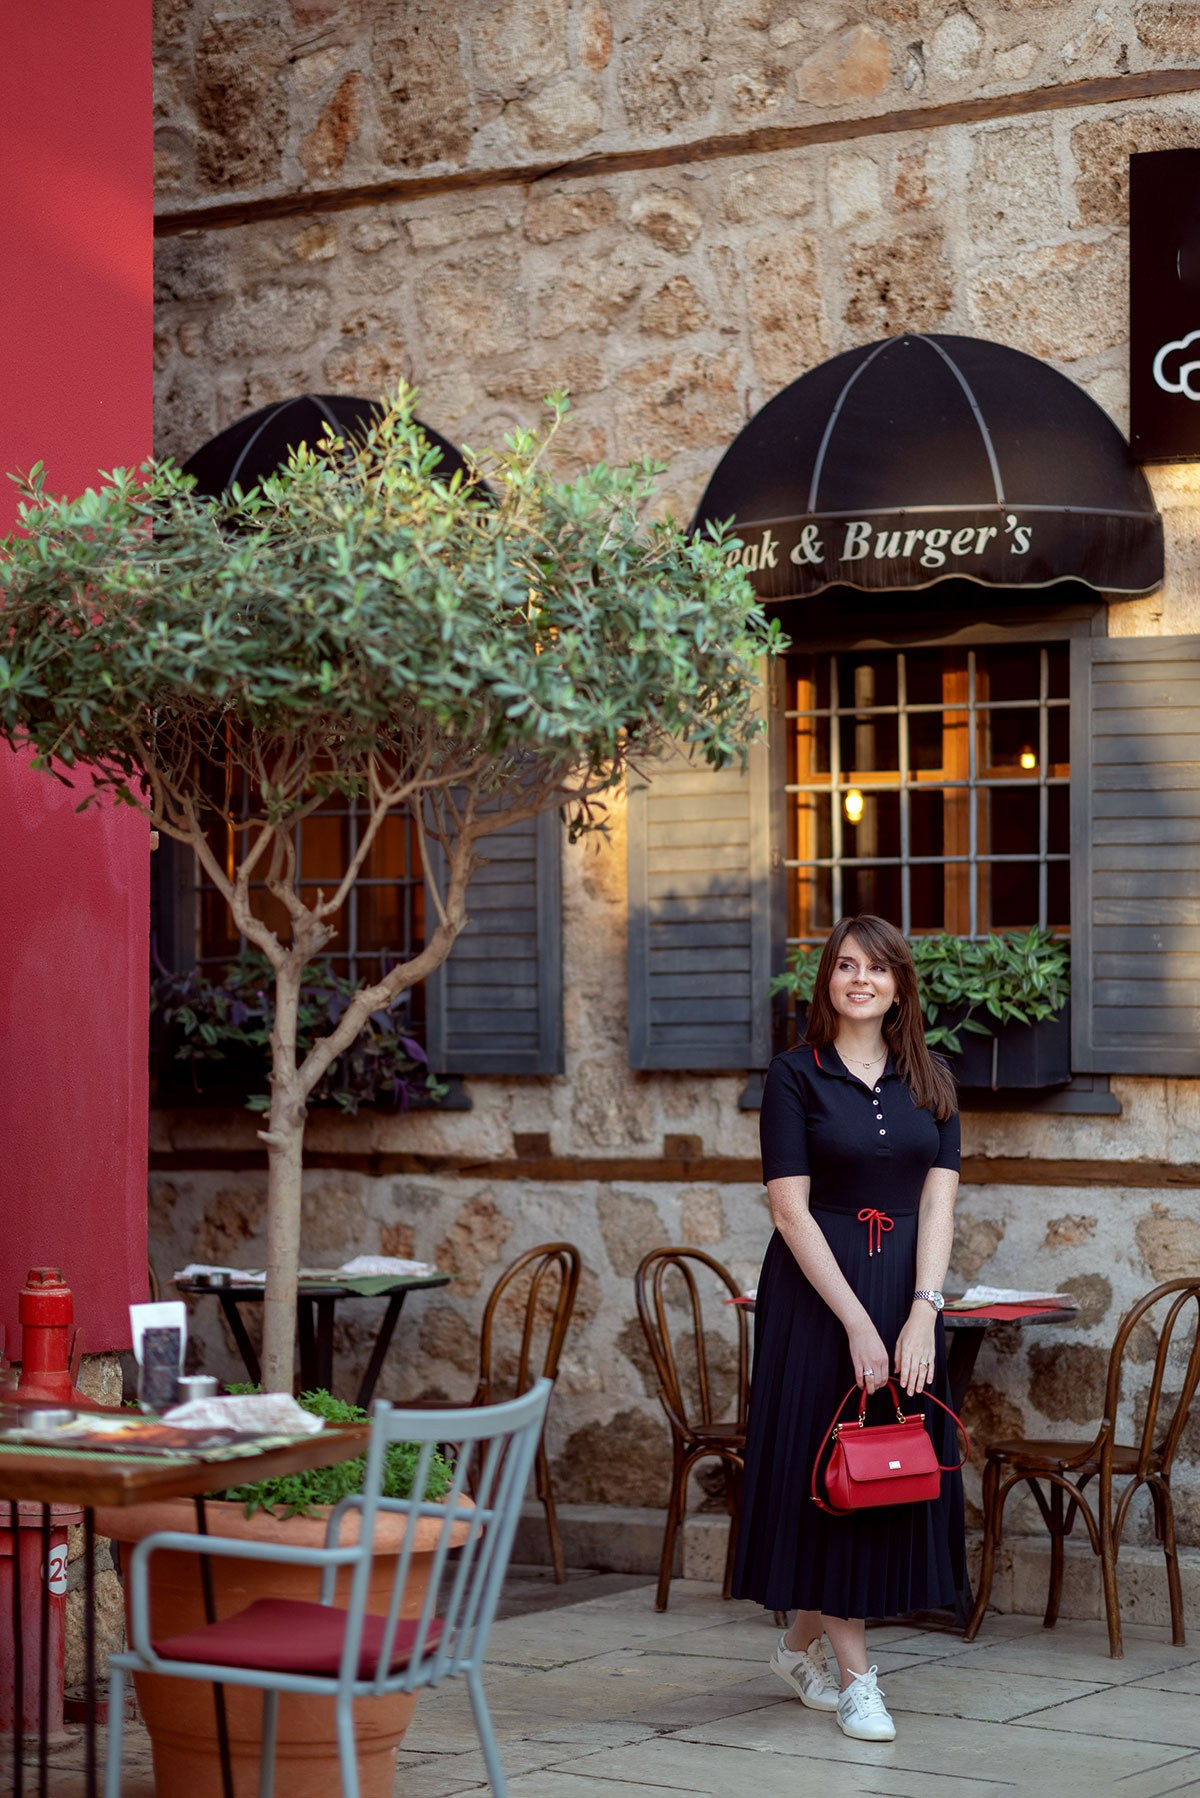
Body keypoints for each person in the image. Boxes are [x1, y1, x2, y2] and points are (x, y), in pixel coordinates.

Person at [732, 913, 965, 1743]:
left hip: (906, 1291)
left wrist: (922, 1311)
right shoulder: (794, 1076)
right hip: (817, 1298)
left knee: (884, 1473)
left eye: (876, 968)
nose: (858, 979)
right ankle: (860, 1678)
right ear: (827, 980)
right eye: (844, 965)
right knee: (827, 1478)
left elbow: (938, 1200)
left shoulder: (933, 1078)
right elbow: (788, 1210)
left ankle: (801, 1648)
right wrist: (861, 1324)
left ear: (899, 984)